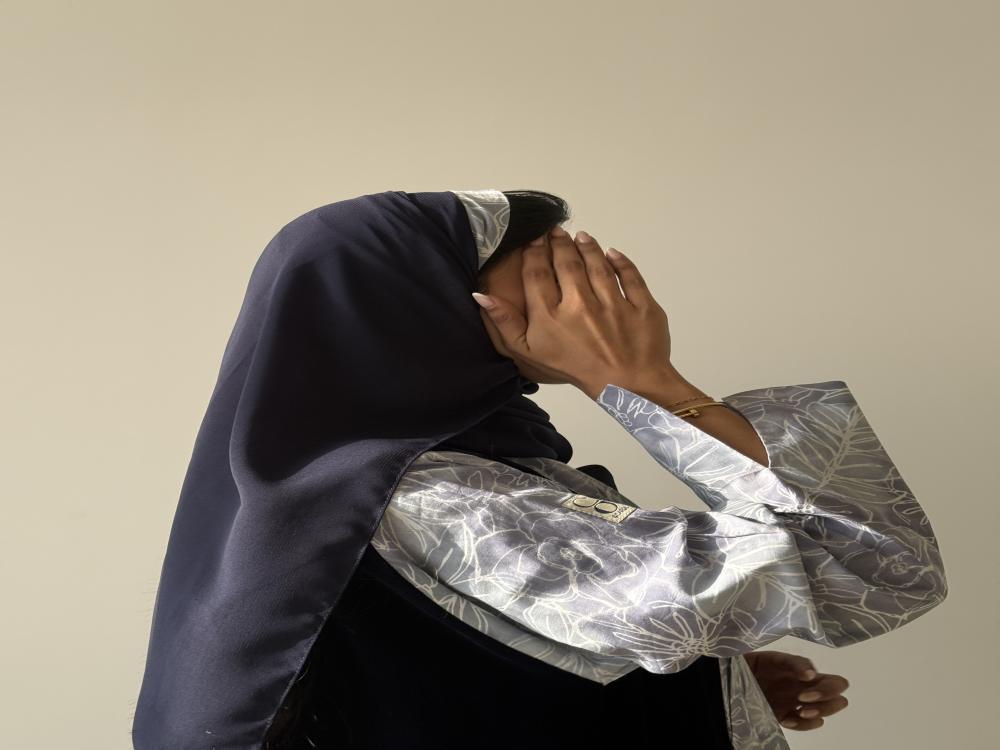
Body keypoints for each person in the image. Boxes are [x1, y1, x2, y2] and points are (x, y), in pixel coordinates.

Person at [131, 189, 947, 750]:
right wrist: (641, 380)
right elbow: (873, 567)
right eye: (539, 261)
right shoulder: (434, 498)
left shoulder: (453, 473)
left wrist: (712, 685)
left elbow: (460, 682)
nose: (581, 282)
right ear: (427, 306)